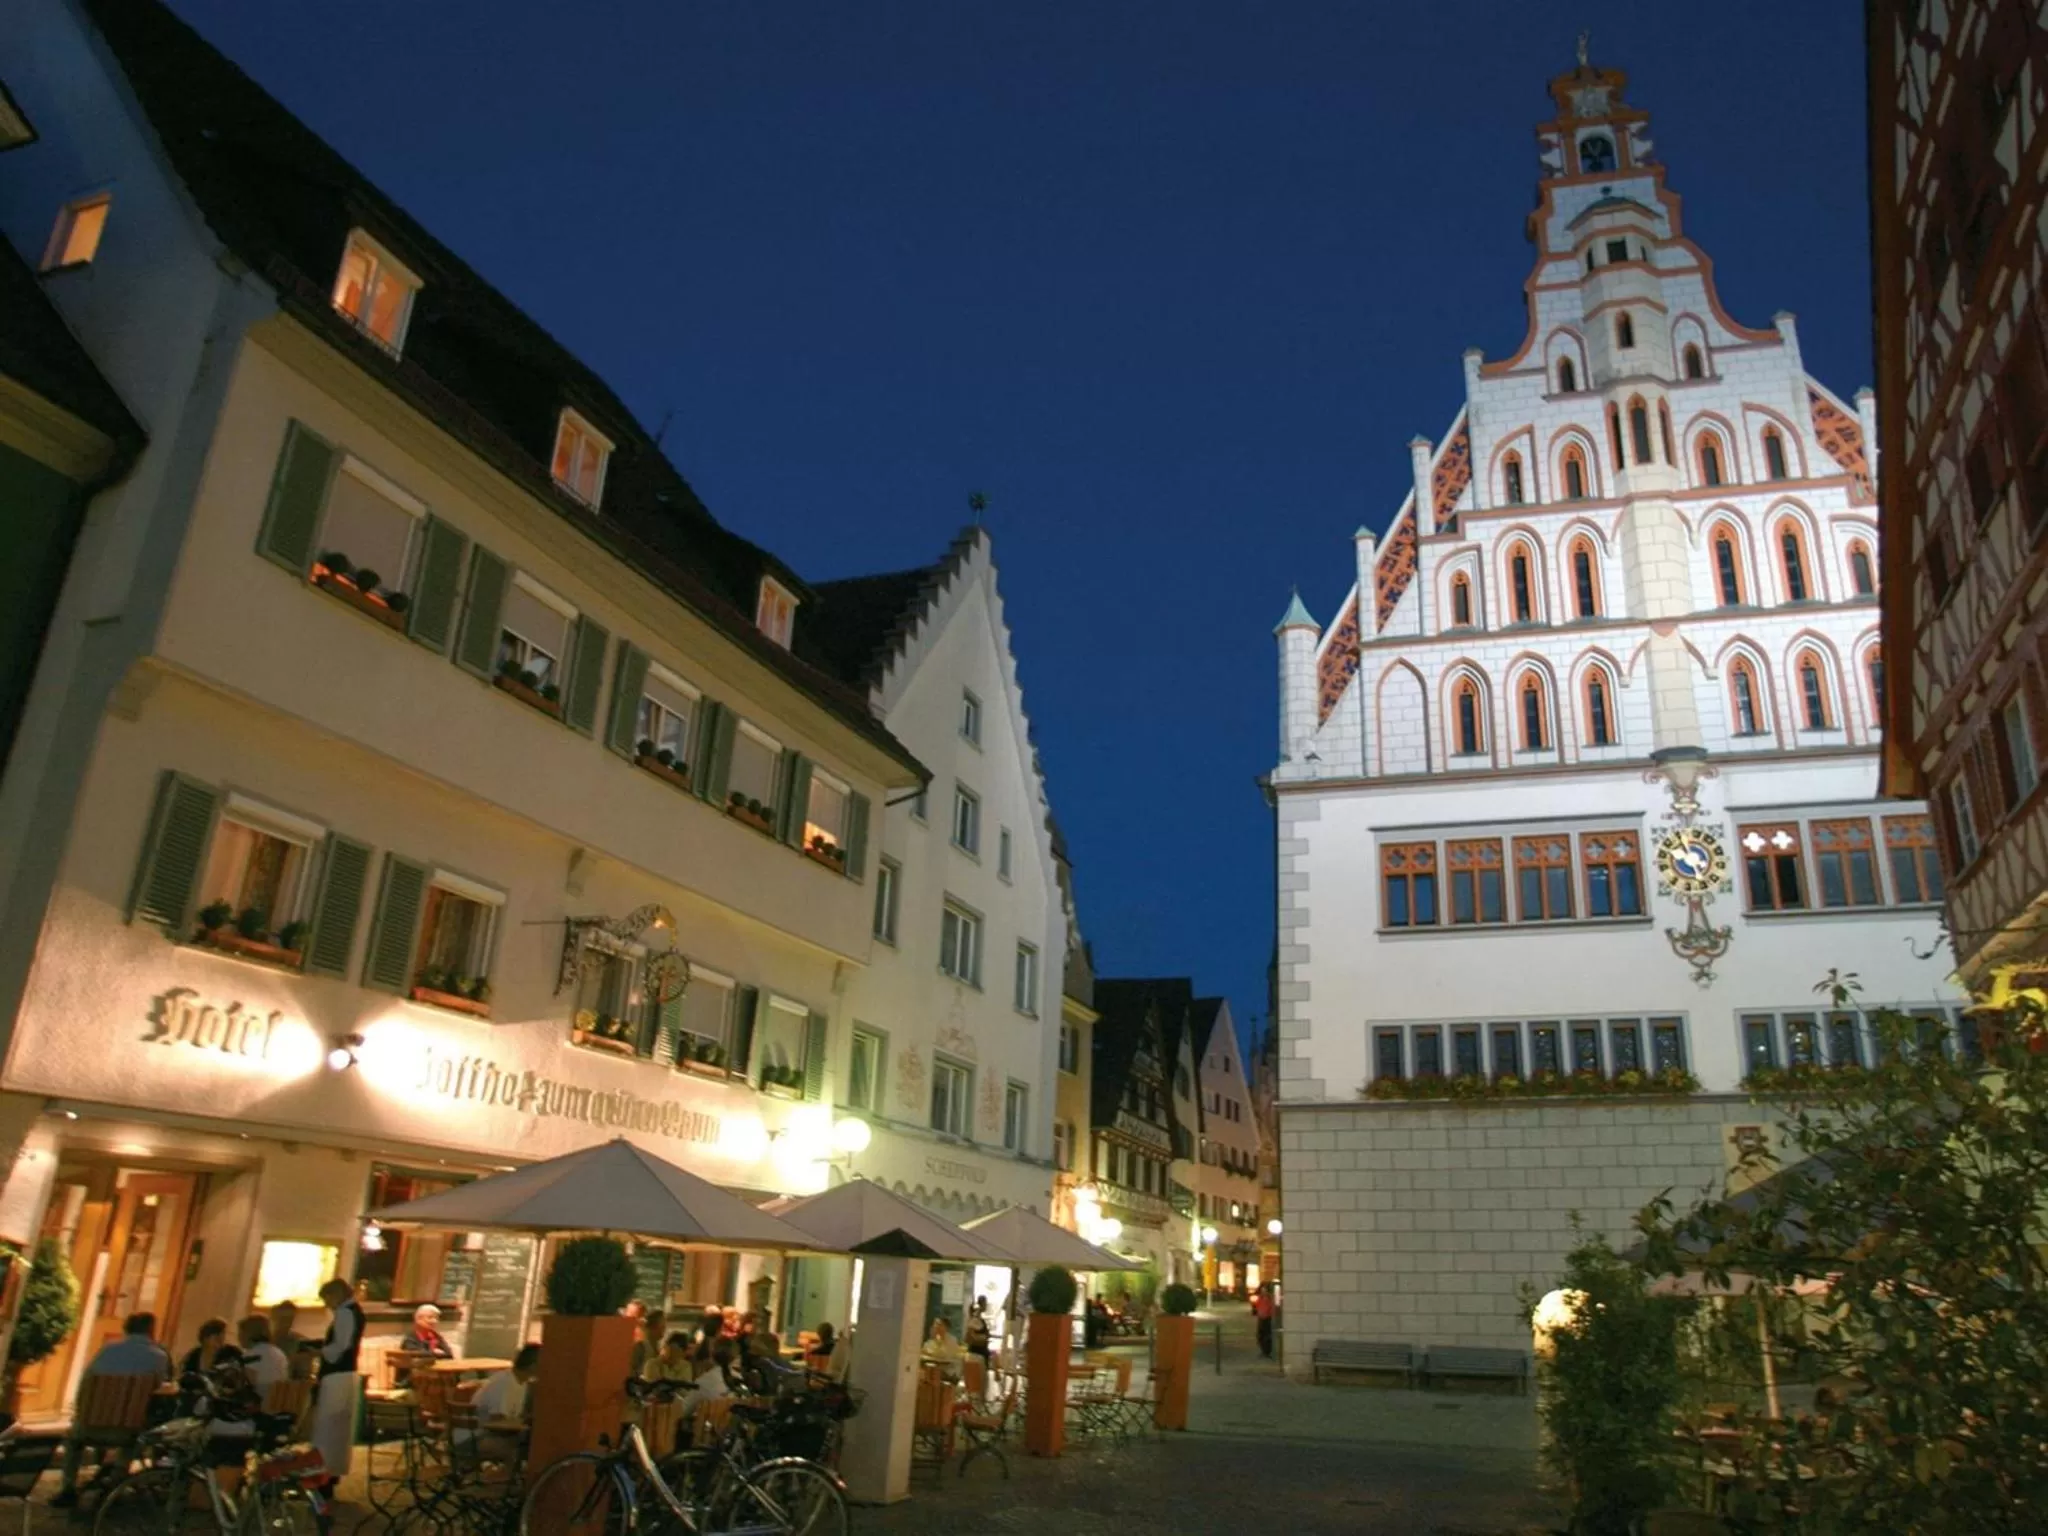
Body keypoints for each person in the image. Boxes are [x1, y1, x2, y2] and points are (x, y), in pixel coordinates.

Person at [51, 1313, 173, 1506]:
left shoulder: (107, 1350)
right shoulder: (159, 1357)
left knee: (73, 1441)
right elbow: (161, 1390)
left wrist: (82, 1414)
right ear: (151, 1330)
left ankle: (68, 1487)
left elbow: (86, 1384)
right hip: (128, 1431)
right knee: (139, 1425)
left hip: (90, 1426)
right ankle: (116, 1479)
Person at [308, 1278, 365, 1489]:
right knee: (339, 1428)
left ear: (335, 1295)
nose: (327, 1305)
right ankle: (332, 1473)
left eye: (327, 1299)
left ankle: (323, 1473)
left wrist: (319, 1352)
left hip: (336, 1375)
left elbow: (340, 1346)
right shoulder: (355, 1311)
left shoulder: (345, 1313)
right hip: (347, 1374)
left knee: (328, 1427)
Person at [470, 1344, 538, 1463]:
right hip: (476, 1438)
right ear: (533, 1366)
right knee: (520, 1450)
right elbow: (496, 1422)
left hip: (489, 1435)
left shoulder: (522, 1383)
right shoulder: (502, 1382)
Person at [236, 1315, 290, 1402]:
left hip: (260, 1404)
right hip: (277, 1403)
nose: (238, 1337)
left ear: (248, 1334)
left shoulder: (253, 1354)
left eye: (240, 1333)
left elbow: (248, 1384)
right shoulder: (279, 1352)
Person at [270, 1301, 313, 1381]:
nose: (287, 1323)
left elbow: (305, 1373)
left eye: (290, 1319)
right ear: (273, 1318)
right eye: (283, 1319)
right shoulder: (264, 1342)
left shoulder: (300, 1342)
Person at [629, 1310, 667, 1378]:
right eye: (662, 1326)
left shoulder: (661, 1348)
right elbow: (632, 1372)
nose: (664, 1329)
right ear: (652, 1327)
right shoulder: (640, 1347)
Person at [1252, 1283, 1276, 1360]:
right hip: (1261, 1319)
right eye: (1262, 1290)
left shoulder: (1269, 1299)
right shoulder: (1260, 1298)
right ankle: (1263, 1351)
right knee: (1260, 1335)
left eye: (1264, 1290)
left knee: (1267, 1336)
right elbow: (1257, 1306)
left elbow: (1272, 1308)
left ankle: (1267, 1351)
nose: (1263, 1291)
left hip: (1267, 1319)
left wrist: (1271, 1315)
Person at [965, 1298, 992, 1364]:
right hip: (976, 1352)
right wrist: (984, 1338)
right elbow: (971, 1336)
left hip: (982, 1351)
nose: (986, 1306)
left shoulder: (980, 1319)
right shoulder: (974, 1320)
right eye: (985, 1304)